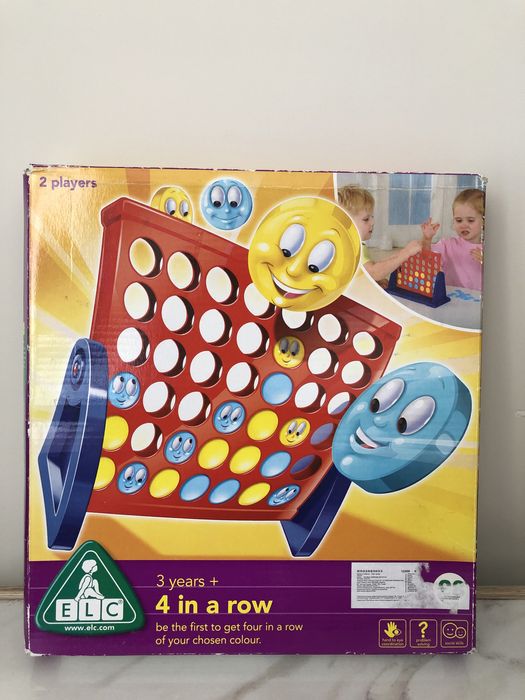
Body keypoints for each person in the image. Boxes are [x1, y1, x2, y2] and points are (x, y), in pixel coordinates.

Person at [338, 185, 422, 282]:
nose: (373, 222)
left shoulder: (352, 243)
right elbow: (374, 273)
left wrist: (402, 253)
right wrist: (406, 253)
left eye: (372, 217)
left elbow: (367, 270)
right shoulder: (351, 248)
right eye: (366, 219)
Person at [420, 188, 484, 291]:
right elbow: (426, 257)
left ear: (484, 221)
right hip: (453, 297)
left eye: (470, 220)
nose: (464, 225)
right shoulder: (448, 245)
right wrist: (427, 239)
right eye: (459, 220)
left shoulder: (492, 250)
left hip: (478, 299)